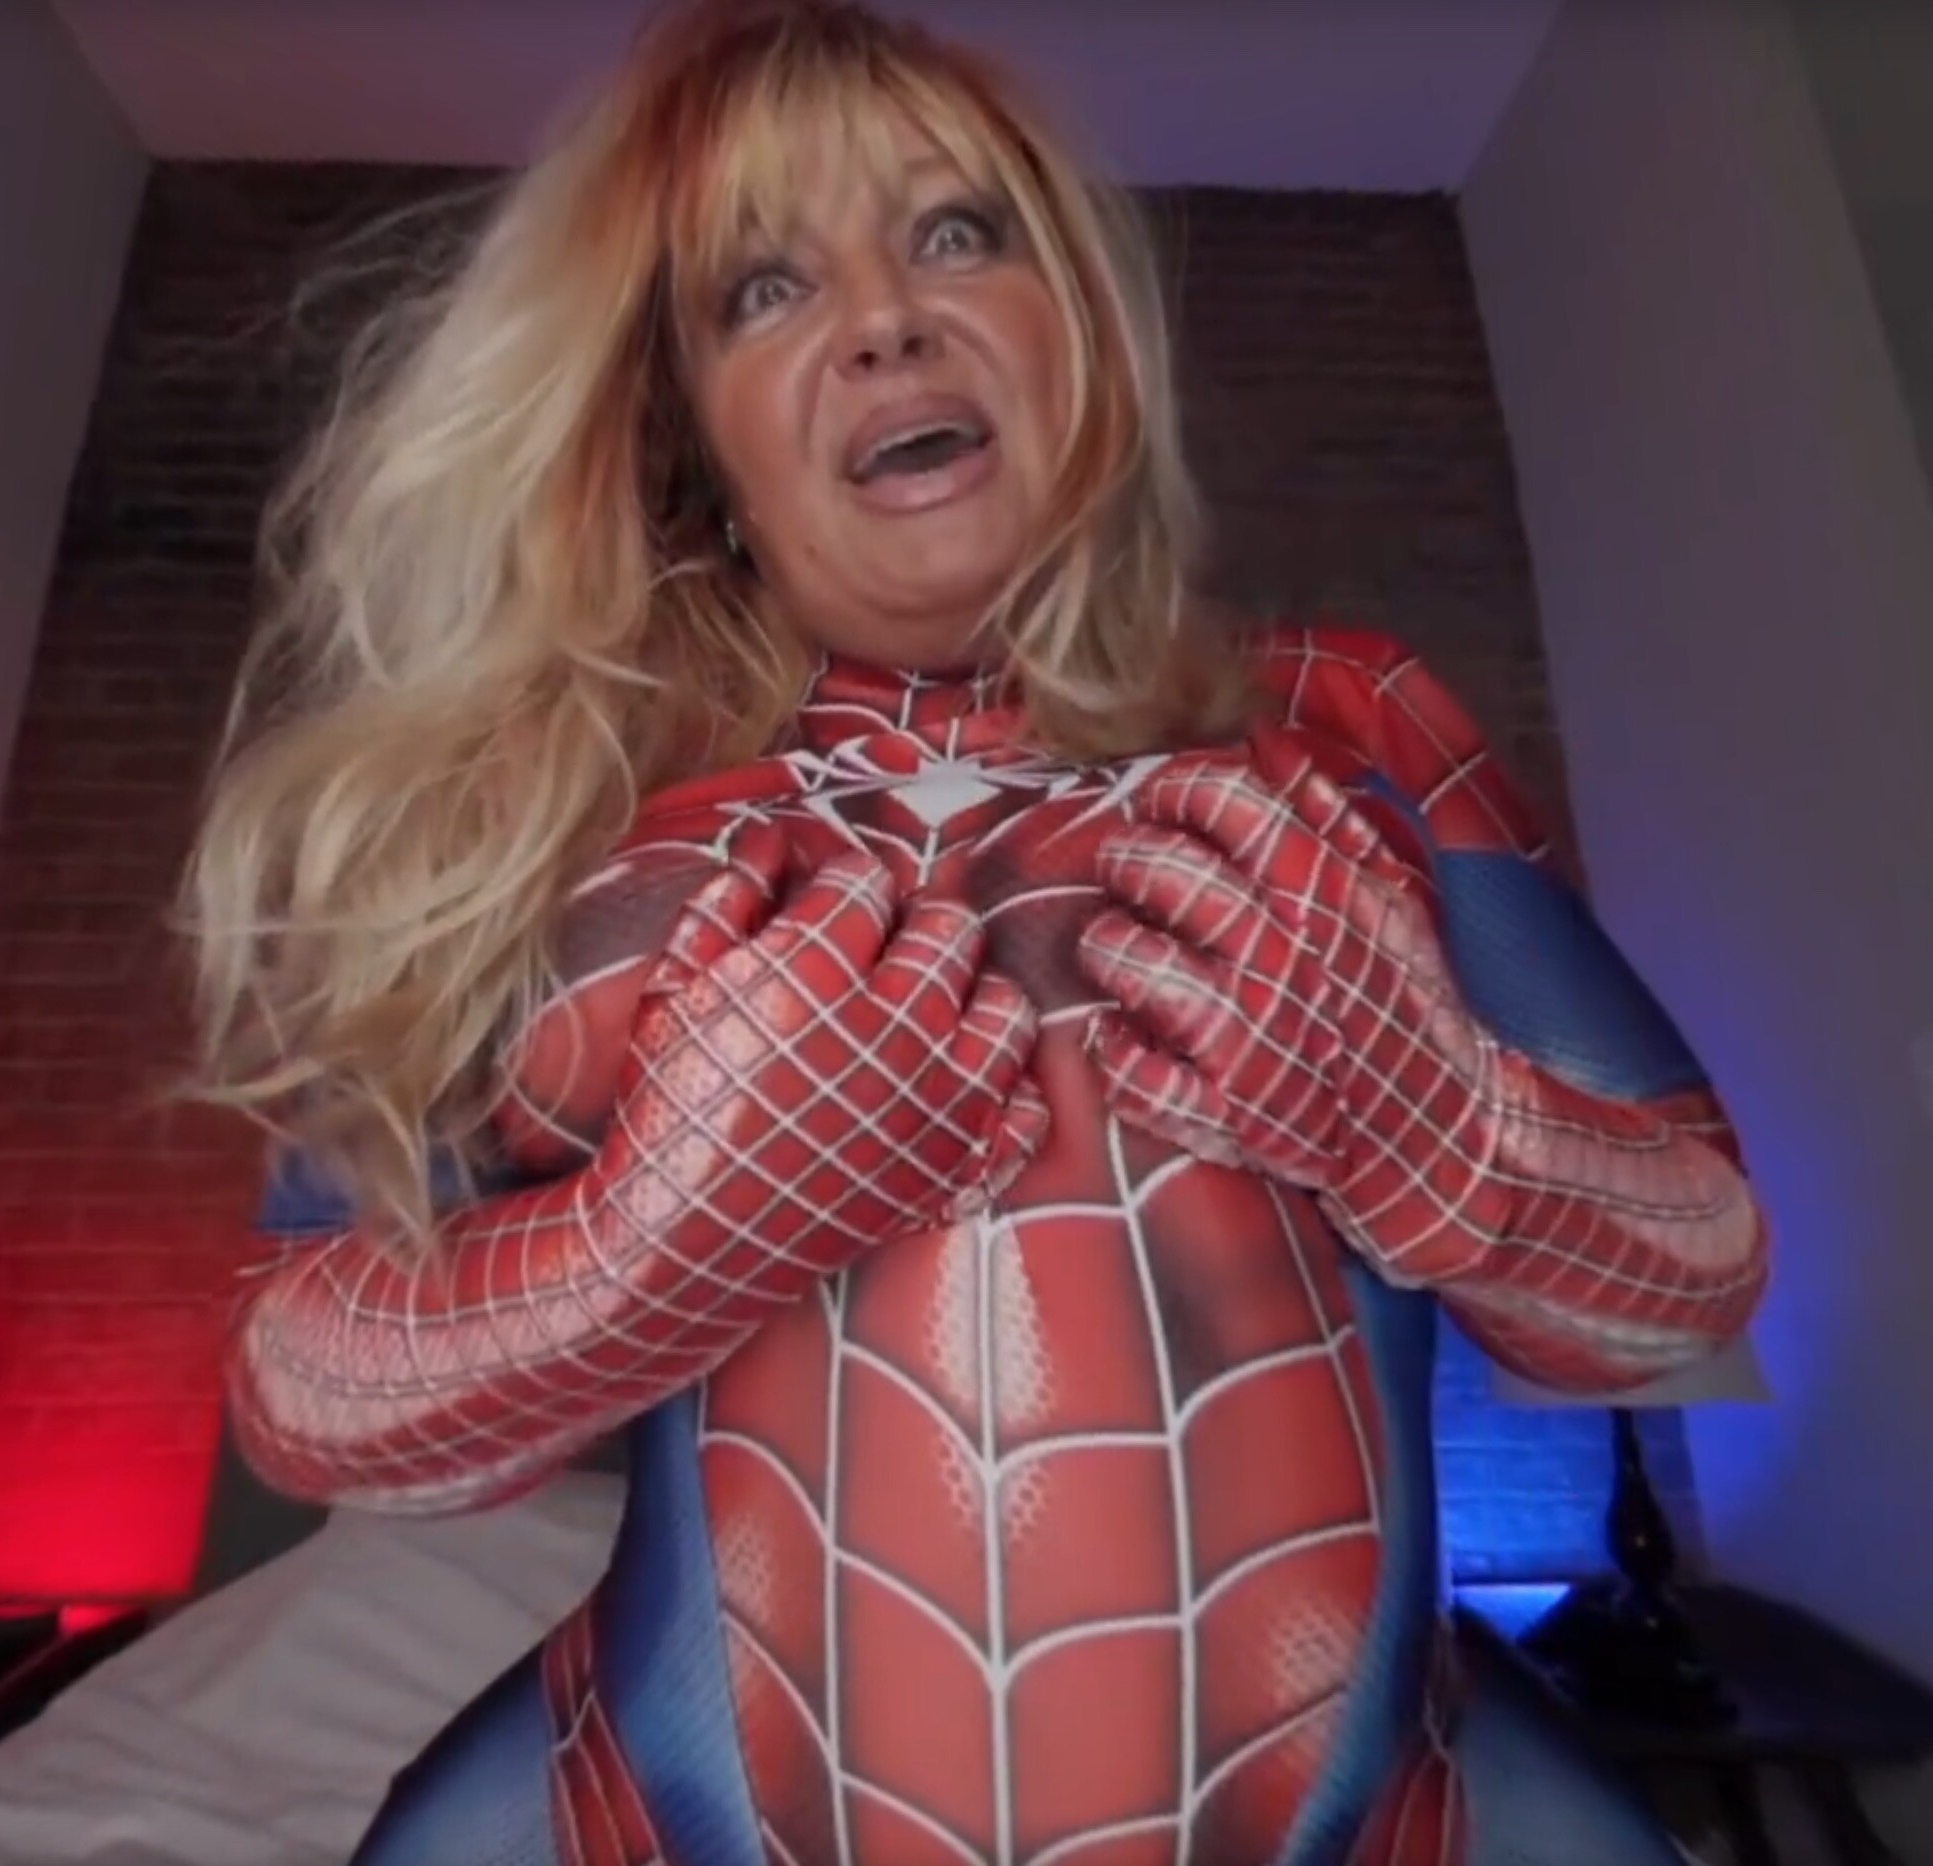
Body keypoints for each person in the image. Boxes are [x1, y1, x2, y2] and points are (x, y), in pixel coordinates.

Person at [181, 2, 1770, 1861]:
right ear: (691, 434)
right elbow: (299, 1389)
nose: (885, 321)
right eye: (766, 288)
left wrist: (1435, 1127)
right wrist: (647, 1253)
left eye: (956, 232)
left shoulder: (1353, 723)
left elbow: (1703, 1273)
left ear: (1074, 323)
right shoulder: (576, 817)